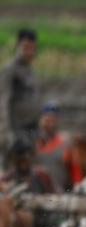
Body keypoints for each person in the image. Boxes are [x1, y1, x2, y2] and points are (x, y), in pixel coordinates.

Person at [0, 29, 40, 161]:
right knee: (13, 175)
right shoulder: (10, 69)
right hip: (16, 133)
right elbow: (3, 102)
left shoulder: (29, 70)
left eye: (32, 47)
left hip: (30, 132)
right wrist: (6, 134)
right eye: (25, 47)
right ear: (18, 46)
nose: (29, 51)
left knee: (29, 173)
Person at [35, 102, 83, 193]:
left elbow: (75, 170)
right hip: (37, 193)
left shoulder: (66, 144)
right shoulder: (35, 143)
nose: (49, 124)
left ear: (57, 121)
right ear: (41, 121)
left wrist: (78, 187)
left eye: (52, 120)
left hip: (58, 195)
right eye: (46, 120)